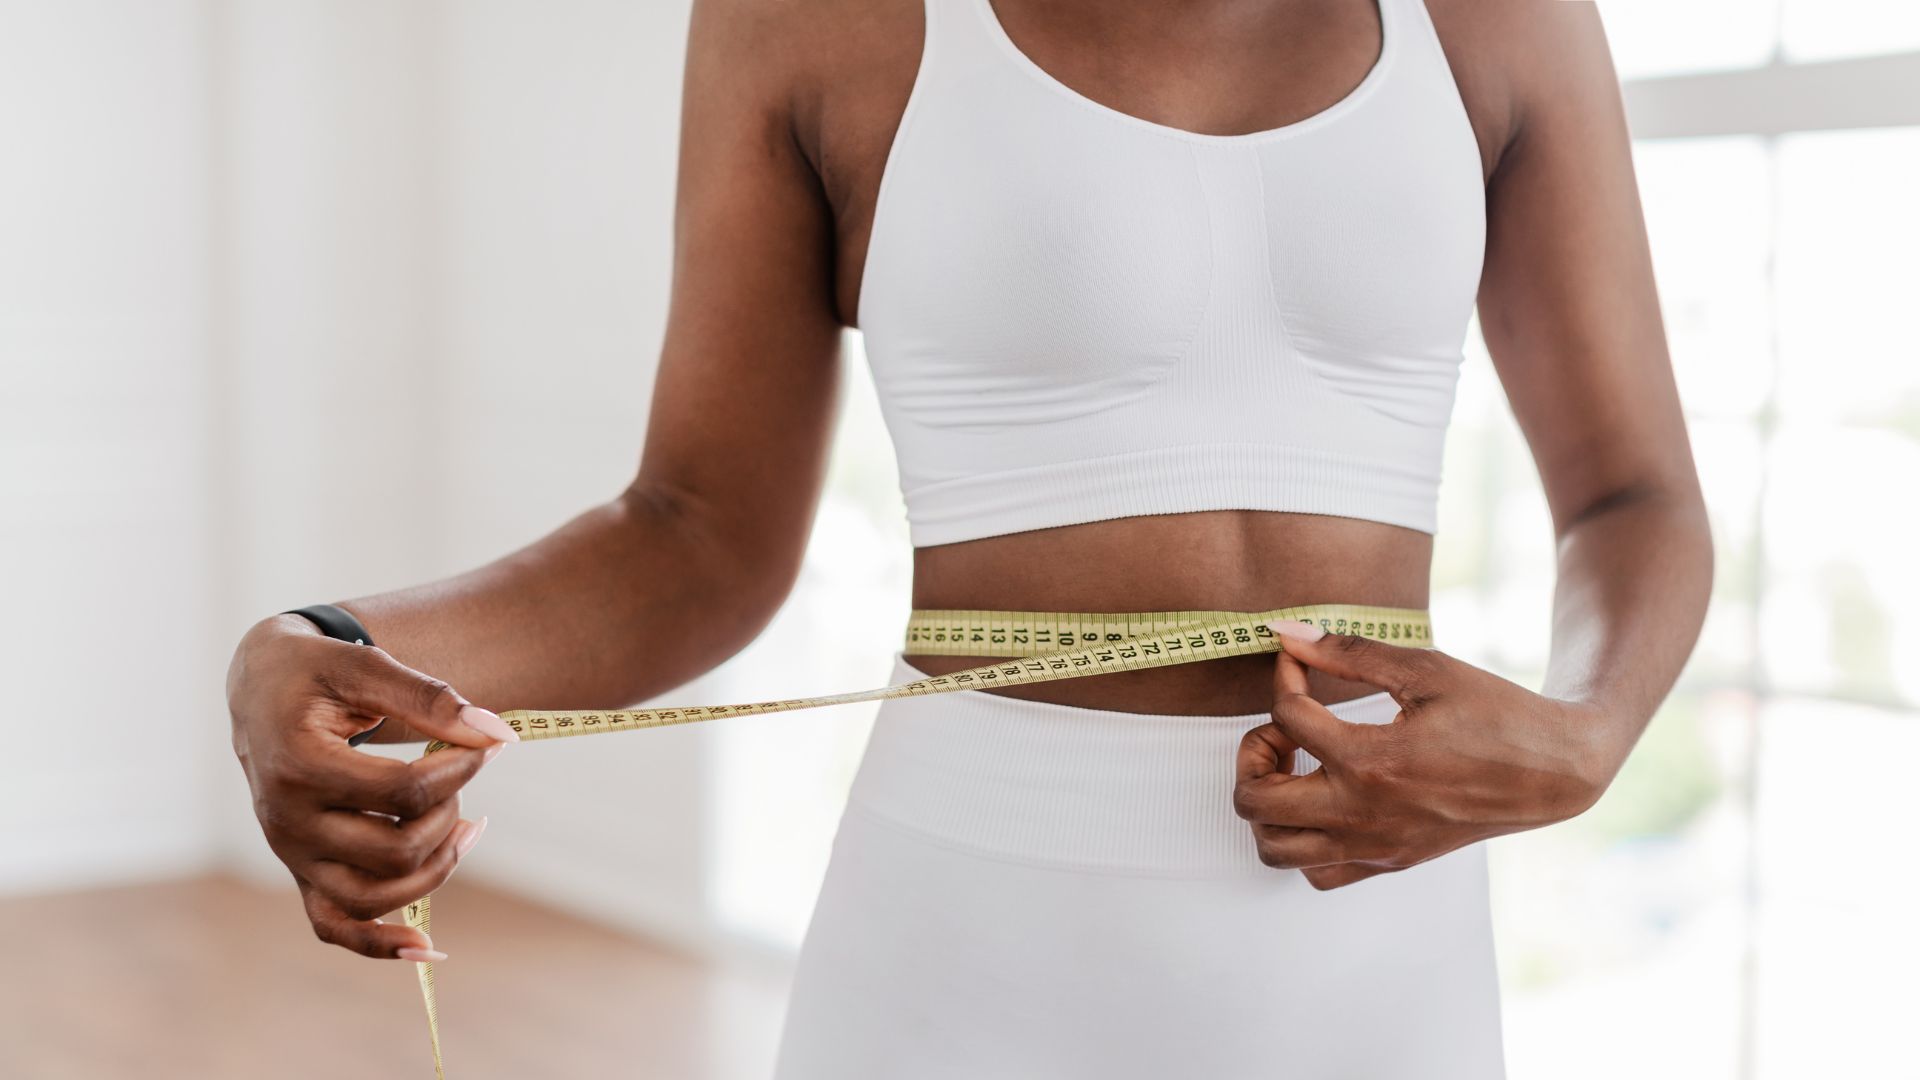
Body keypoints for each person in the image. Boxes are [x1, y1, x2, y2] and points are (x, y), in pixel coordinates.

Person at [227, 0, 1712, 1075]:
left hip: (1383, 942)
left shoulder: (1498, 20)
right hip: (974, 938)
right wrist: (331, 651)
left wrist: (1588, 730)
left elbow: (1632, 495)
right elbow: (694, 536)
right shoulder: (815, 21)